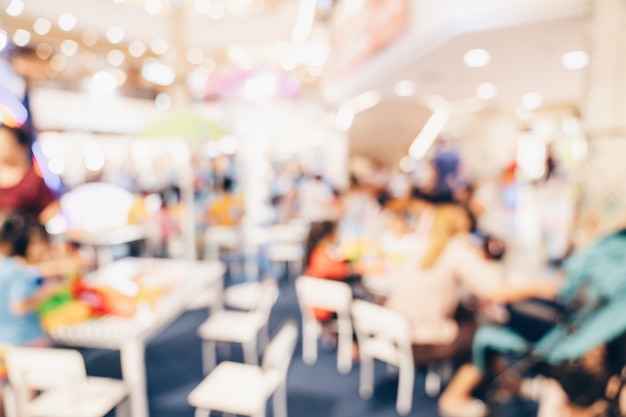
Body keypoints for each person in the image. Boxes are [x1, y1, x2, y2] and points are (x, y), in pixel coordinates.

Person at [439, 227, 626, 417]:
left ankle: (469, 396)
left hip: (566, 337)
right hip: (568, 335)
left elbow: (563, 280)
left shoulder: (610, 255)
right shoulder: (612, 258)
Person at [384, 205, 557, 366]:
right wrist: (539, 287)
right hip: (423, 341)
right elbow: (495, 291)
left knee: (469, 315)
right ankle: (461, 393)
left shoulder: (422, 245)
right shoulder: (457, 249)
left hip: (396, 331)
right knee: (483, 332)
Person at [0, 125, 59, 225]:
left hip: (23, 238)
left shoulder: (32, 179)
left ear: (20, 146)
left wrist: (33, 227)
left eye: (4, 142)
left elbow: (53, 207)